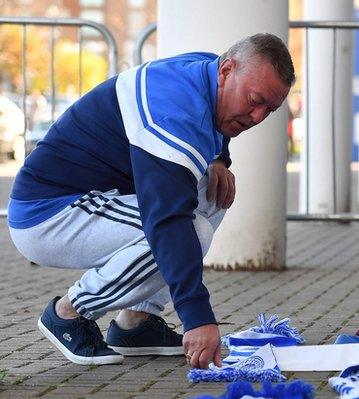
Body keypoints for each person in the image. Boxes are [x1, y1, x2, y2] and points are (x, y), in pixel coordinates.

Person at [6, 33, 294, 369]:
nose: (257, 116)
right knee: (189, 232)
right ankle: (68, 313)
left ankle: (136, 324)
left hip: (95, 196)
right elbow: (167, 223)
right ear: (227, 70)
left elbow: (211, 129)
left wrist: (218, 159)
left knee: (213, 193)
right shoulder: (173, 112)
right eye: (254, 100)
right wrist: (198, 318)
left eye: (269, 110)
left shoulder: (205, 68)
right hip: (46, 214)